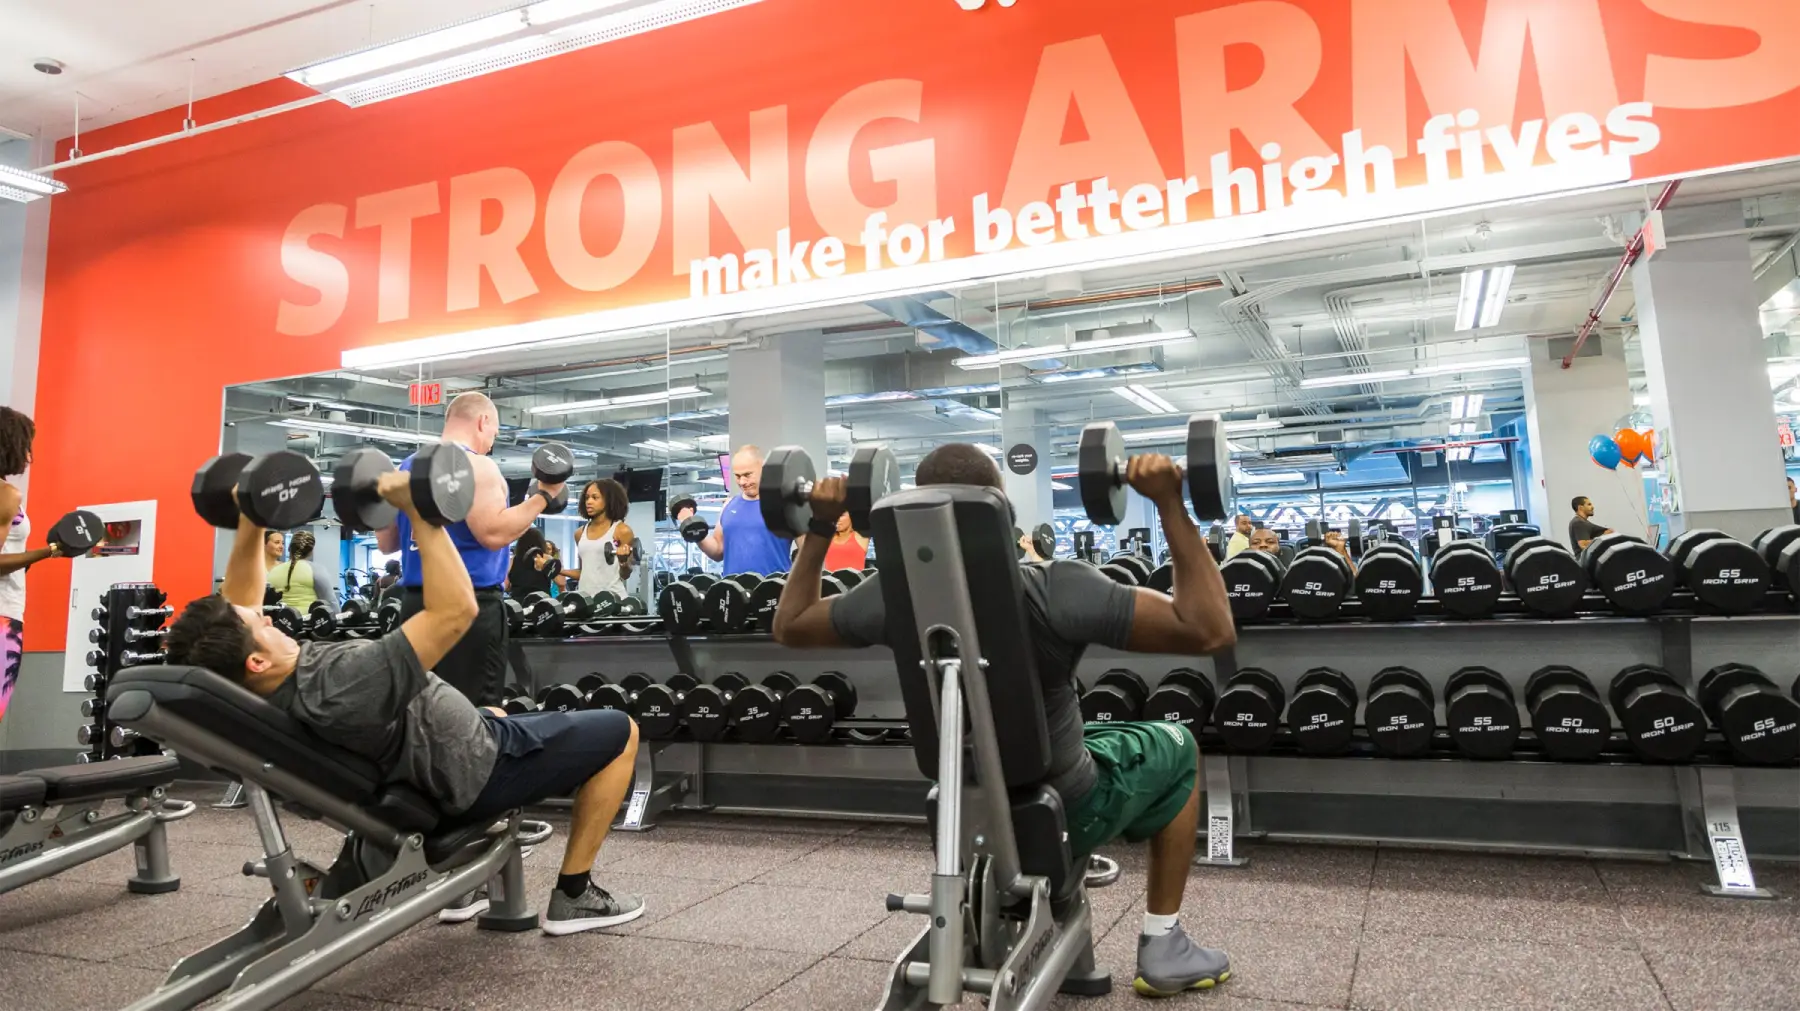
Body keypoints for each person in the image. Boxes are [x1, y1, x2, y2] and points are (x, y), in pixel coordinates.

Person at [771, 443, 1237, 997]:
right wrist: (1169, 504)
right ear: (1000, 508)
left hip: (961, 812)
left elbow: (791, 624)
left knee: (1092, 736)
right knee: (1176, 742)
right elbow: (1210, 629)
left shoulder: (893, 598)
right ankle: (1163, 943)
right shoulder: (1059, 587)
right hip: (1067, 804)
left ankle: (1067, 930)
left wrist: (820, 526)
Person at [164, 470, 644, 935]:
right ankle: (574, 895)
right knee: (621, 729)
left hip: (440, 754)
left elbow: (243, 603)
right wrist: (421, 514)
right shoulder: (341, 680)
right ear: (255, 661)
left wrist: (251, 517)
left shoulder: (253, 690)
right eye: (261, 625)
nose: (269, 618)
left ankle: (471, 885)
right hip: (474, 771)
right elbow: (456, 611)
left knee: (497, 711)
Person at [375, 393, 566, 708]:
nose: (491, 443)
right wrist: (543, 497)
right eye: (494, 433)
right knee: (475, 714)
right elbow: (493, 533)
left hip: (415, 605)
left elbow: (387, 543)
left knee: (420, 711)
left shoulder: (406, 467)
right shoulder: (478, 465)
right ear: (483, 421)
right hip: (469, 607)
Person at [0, 407, 83, 725]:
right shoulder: (6, 494)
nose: (29, 455)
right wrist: (51, 551)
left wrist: (24, 563)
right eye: (26, 445)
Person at [698, 446, 790, 575]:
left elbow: (808, 552)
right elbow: (718, 552)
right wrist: (696, 534)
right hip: (733, 586)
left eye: (747, 475)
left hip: (775, 586)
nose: (742, 482)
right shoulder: (729, 505)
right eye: (737, 476)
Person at [562, 479, 634, 599]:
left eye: (595, 498)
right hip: (586, 599)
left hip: (613, 599)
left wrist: (623, 562)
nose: (589, 502)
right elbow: (583, 572)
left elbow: (625, 575)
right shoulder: (579, 533)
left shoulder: (622, 531)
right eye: (587, 498)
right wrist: (557, 569)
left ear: (609, 500)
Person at [267, 530, 333, 610]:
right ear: (311, 551)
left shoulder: (274, 571)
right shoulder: (317, 570)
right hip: (308, 617)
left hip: (281, 617)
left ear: (289, 548)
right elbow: (331, 603)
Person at [506, 527, 555, 598]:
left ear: (520, 543)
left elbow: (506, 585)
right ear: (541, 543)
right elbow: (561, 582)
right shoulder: (547, 558)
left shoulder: (512, 560)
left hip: (518, 602)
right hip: (542, 601)